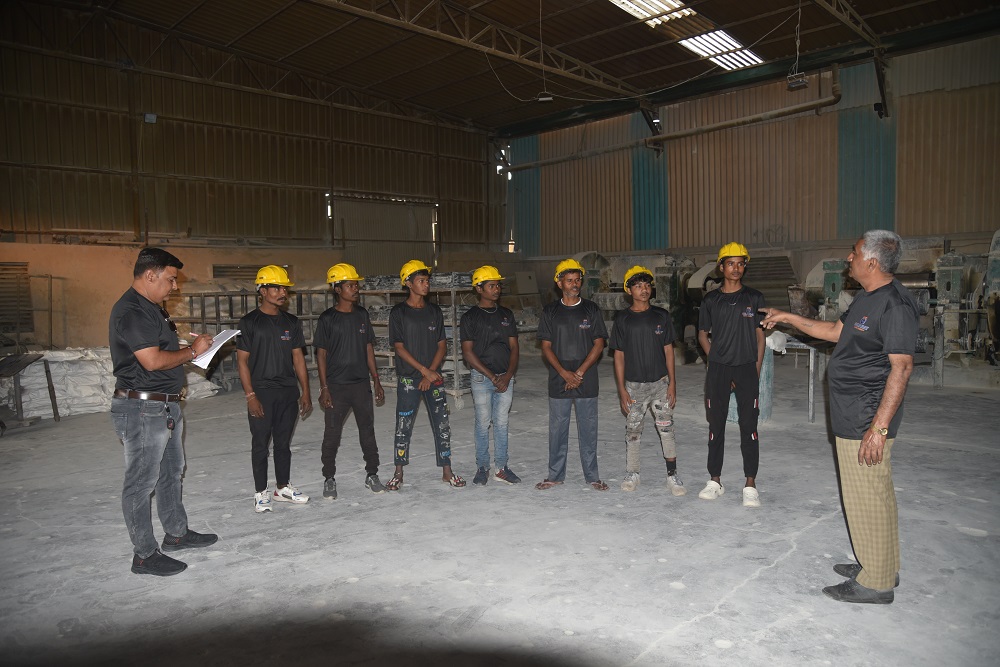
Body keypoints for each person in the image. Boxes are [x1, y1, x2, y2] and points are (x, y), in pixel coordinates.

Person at [761, 230, 917, 604]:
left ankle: (876, 583)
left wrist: (878, 429)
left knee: (865, 497)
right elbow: (834, 331)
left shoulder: (895, 305)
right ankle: (882, 565)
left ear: (872, 262)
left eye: (855, 252)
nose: (849, 258)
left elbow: (902, 367)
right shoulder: (867, 296)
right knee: (875, 492)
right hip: (853, 412)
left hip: (866, 416)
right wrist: (787, 317)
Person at [110, 247, 217, 576]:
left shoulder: (152, 309)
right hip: (143, 408)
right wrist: (192, 352)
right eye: (171, 279)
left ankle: (176, 533)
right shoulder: (131, 311)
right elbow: (152, 361)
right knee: (141, 483)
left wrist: (192, 346)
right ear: (149, 275)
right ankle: (144, 555)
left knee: (171, 472)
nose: (175, 286)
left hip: (164, 405)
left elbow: (160, 349)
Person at [237, 265, 313, 513]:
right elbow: (242, 361)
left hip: (287, 392)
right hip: (261, 392)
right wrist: (250, 395)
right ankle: (261, 492)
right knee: (260, 444)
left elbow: (298, 358)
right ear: (262, 291)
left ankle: (282, 488)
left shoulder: (291, 322)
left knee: (283, 443)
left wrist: (306, 391)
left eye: (284, 288)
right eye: (277, 288)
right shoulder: (249, 322)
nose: (282, 293)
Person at [697, 242, 767, 507]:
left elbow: (760, 337)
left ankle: (750, 483)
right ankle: (715, 480)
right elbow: (702, 335)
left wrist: (755, 369)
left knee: (749, 427)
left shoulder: (755, 298)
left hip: (747, 367)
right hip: (719, 370)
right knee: (716, 427)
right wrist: (715, 360)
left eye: (740, 264)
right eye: (730, 263)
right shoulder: (710, 300)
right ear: (721, 267)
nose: (736, 268)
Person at [386, 260, 466, 490]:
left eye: (427, 280)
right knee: (403, 425)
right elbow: (399, 347)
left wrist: (430, 372)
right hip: (409, 379)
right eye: (421, 281)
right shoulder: (398, 313)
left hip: (433, 378)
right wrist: (424, 371)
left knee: (442, 424)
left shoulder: (434, 311)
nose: (426, 284)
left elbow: (442, 345)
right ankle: (398, 472)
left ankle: (447, 471)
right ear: (408, 284)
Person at [610, 265, 686, 495]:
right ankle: (633, 472)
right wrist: (622, 390)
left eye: (646, 285)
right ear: (628, 290)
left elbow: (669, 351)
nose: (643, 290)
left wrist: (672, 383)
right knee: (633, 431)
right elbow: (619, 356)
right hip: (634, 386)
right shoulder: (622, 319)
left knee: (666, 428)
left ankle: (672, 475)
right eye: (637, 286)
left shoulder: (661, 316)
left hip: (660, 384)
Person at [536, 258, 609, 491]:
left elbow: (599, 344)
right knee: (558, 429)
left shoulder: (591, 309)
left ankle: (592, 476)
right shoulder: (550, 311)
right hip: (559, 378)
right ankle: (555, 475)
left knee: (588, 429)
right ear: (559, 283)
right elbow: (546, 347)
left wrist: (578, 373)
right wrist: (564, 374)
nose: (574, 284)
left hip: (586, 377)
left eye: (577, 280)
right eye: (569, 280)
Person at [314, 263, 386, 499]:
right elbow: (321, 355)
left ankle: (372, 473)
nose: (356, 289)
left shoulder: (362, 315)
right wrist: (324, 387)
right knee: (332, 434)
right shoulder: (327, 319)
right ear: (337, 289)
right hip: (336, 387)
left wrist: (376, 379)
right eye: (350, 285)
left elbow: (368, 348)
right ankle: (329, 477)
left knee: (367, 432)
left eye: (356, 285)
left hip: (360, 385)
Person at [460, 265, 521, 486]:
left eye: (498, 285)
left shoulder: (506, 315)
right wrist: (493, 377)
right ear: (479, 289)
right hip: (481, 378)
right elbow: (468, 353)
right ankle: (483, 467)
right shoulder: (470, 317)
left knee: (502, 423)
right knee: (483, 423)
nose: (496, 289)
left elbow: (514, 347)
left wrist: (508, 375)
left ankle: (501, 468)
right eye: (491, 286)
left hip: (505, 377)